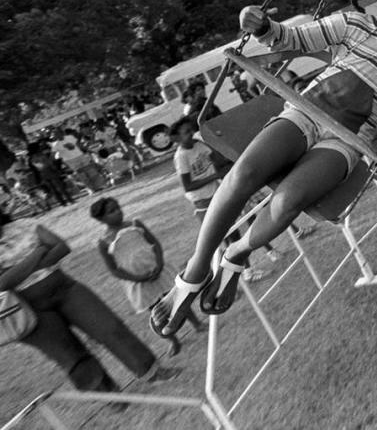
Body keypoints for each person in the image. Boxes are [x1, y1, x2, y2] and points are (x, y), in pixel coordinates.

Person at [150, 0, 377, 337]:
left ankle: (237, 254)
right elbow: (294, 39)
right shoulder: (353, 25)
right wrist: (262, 26)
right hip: (304, 112)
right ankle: (196, 270)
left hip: (347, 140)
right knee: (243, 174)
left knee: (288, 202)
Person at [0, 212, 178, 390]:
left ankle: (151, 372)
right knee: (69, 354)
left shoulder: (24, 225)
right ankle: (109, 395)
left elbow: (62, 247)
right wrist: (39, 252)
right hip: (30, 308)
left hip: (65, 288)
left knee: (109, 327)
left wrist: (17, 269)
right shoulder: (32, 236)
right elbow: (3, 283)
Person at [170, 117, 288, 280]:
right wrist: (216, 175)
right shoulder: (181, 156)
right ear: (176, 138)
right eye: (186, 132)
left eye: (191, 130)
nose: (191, 134)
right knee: (231, 235)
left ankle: (268, 252)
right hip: (203, 201)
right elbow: (188, 186)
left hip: (218, 192)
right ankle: (246, 271)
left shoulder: (199, 144)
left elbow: (217, 160)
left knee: (249, 217)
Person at [90, 197, 204, 357]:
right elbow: (114, 270)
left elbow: (155, 243)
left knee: (178, 298)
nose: (118, 212)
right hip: (138, 282)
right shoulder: (103, 242)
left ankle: (197, 324)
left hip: (158, 270)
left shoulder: (135, 224)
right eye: (112, 211)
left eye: (118, 207)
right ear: (101, 219)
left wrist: (159, 263)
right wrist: (138, 278)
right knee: (157, 312)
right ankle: (172, 340)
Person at [49, 128, 107, 192]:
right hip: (71, 161)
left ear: (61, 133)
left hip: (80, 156)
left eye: (55, 135)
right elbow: (53, 156)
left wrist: (89, 150)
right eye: (54, 135)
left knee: (91, 172)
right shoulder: (55, 144)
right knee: (82, 175)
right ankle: (92, 189)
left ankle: (98, 186)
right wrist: (56, 158)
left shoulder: (70, 137)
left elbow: (79, 145)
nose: (54, 137)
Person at [27, 142, 72, 208]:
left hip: (42, 173)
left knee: (53, 189)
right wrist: (55, 169)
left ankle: (62, 202)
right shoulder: (41, 155)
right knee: (60, 186)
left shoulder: (30, 159)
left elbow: (34, 169)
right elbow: (49, 163)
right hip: (49, 170)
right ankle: (69, 200)